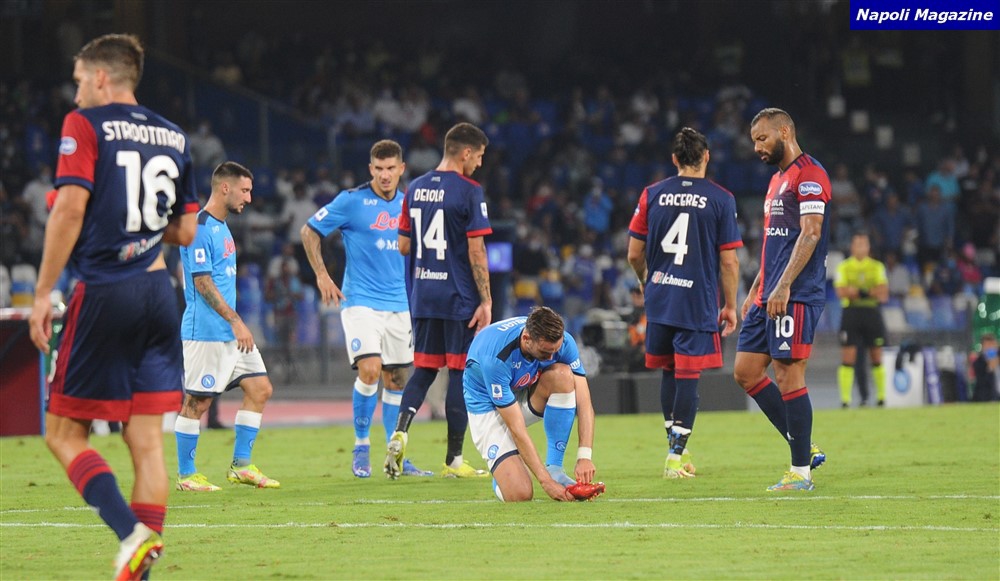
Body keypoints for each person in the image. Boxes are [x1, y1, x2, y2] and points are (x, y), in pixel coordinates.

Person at [27, 34, 198, 580]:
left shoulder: (85, 124)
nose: (76, 93)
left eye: (80, 80)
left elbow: (69, 210)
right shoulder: (174, 135)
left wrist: (41, 294)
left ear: (102, 78)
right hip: (158, 293)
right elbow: (185, 231)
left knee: (62, 433)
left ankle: (131, 534)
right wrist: (133, 224)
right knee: (146, 443)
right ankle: (139, 569)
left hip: (106, 292)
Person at [301, 139, 432, 478]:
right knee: (370, 370)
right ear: (370, 169)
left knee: (397, 378)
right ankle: (361, 445)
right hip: (360, 301)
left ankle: (394, 453)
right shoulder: (351, 201)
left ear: (402, 169)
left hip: (401, 304)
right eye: (379, 168)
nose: (385, 175)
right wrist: (322, 275)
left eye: (391, 168)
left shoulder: (410, 204)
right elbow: (309, 231)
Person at [627, 127, 742, 479]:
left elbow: (634, 253)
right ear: (706, 156)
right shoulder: (721, 199)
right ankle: (674, 459)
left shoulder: (652, 194)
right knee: (688, 377)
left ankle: (678, 450)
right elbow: (729, 262)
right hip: (696, 299)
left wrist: (646, 280)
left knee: (669, 371)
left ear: (674, 159)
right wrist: (730, 305)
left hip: (661, 297)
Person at [384, 122, 493, 479]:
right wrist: (486, 301)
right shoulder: (469, 191)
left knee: (425, 370)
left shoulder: (414, 188)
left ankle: (400, 432)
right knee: (460, 371)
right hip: (458, 295)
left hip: (423, 295)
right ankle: (454, 460)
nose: (479, 163)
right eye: (478, 156)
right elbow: (476, 251)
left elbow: (403, 245)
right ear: (466, 153)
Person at [732, 108, 829, 492]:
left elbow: (811, 233)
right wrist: (758, 286)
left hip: (795, 294)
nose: (757, 147)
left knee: (788, 374)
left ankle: (800, 472)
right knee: (746, 371)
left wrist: (785, 285)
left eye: (763, 138)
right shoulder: (777, 181)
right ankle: (804, 443)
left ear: (785, 132)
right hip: (769, 294)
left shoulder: (810, 175)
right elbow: (777, 243)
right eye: (754, 141)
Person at [173, 162, 281, 493]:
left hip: (229, 334)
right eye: (244, 190)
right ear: (225, 188)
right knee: (198, 403)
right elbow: (202, 282)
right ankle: (187, 475)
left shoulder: (222, 227)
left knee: (260, 389)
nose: (248, 198)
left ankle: (242, 465)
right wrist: (236, 321)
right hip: (206, 332)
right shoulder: (200, 227)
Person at [464, 307, 595, 501]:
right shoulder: (497, 358)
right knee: (521, 494)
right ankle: (504, 474)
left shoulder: (563, 342)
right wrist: (546, 483)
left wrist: (584, 456)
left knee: (562, 375)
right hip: (487, 408)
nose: (551, 358)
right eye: (545, 352)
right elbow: (516, 428)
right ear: (526, 339)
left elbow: (584, 403)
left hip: (519, 393)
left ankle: (555, 469)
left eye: (555, 351)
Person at [834, 232, 889, 408]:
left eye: (863, 244)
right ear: (852, 247)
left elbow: (883, 293)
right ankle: (845, 400)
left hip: (871, 313)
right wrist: (869, 291)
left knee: (876, 356)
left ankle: (881, 398)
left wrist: (856, 291)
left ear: (868, 247)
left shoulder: (877, 266)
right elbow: (841, 292)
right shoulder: (844, 266)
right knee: (848, 358)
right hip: (851, 314)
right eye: (857, 244)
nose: (860, 248)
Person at [971, 333, 999, 402]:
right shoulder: (978, 363)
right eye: (987, 345)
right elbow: (982, 384)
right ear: (983, 347)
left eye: (992, 344)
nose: (990, 348)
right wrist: (990, 368)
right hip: (988, 399)